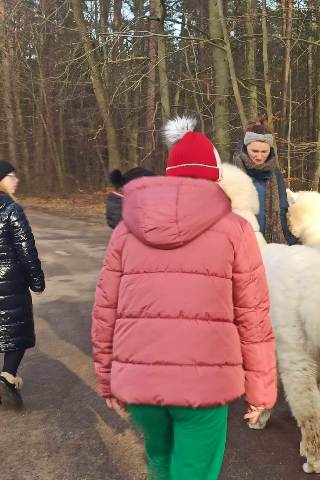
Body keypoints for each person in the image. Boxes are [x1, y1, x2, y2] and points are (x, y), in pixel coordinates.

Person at [92, 116, 277, 479]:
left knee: (160, 460)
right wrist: (261, 391)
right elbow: (253, 316)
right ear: (215, 176)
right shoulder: (237, 231)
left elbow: (105, 311)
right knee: (193, 471)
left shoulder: (126, 230)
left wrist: (107, 377)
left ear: (170, 173)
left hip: (140, 383)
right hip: (204, 386)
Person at [0, 161, 45, 408]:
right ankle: (7, 376)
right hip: (10, 282)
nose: (16, 180)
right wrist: (37, 282)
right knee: (16, 330)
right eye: (11, 176)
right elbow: (26, 250)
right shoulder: (10, 209)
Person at [231, 116, 297, 244]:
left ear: (270, 150)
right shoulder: (232, 171)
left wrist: (291, 243)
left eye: (264, 151)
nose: (259, 156)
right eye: (254, 151)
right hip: (241, 242)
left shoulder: (275, 174)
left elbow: (282, 212)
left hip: (269, 245)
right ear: (246, 147)